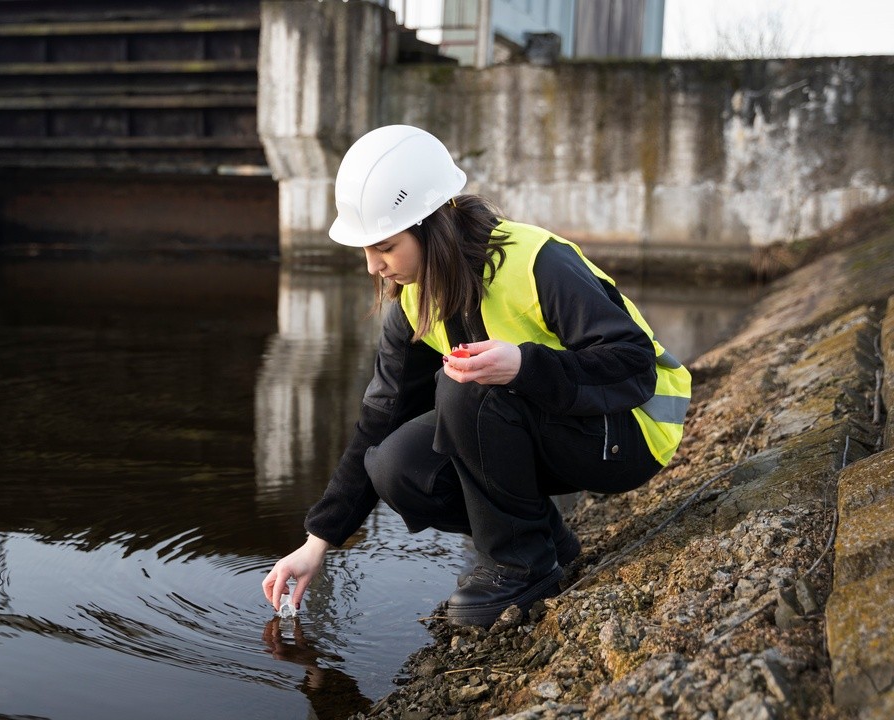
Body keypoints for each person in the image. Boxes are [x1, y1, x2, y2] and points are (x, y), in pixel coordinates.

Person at [263, 124, 691, 628]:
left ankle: (519, 568)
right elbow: (377, 422)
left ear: (431, 224)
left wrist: (526, 366)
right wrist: (319, 541)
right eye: (366, 249)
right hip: (562, 425)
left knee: (464, 389)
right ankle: (545, 542)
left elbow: (632, 363)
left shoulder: (536, 262)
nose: (374, 266)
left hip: (629, 432)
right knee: (395, 466)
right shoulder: (414, 300)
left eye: (385, 246)